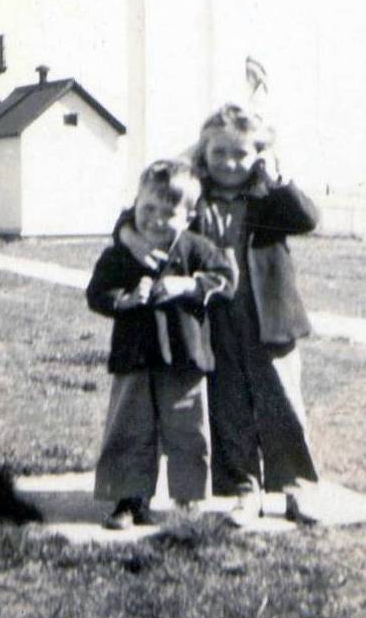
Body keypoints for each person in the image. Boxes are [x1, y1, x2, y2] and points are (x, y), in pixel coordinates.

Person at [117, 104, 319, 523]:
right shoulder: (193, 193)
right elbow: (139, 212)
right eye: (218, 152)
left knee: (281, 403)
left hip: (269, 317)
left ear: (258, 155)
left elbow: (307, 218)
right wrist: (128, 235)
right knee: (229, 409)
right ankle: (245, 489)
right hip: (214, 319)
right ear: (202, 153)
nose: (229, 163)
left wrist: (279, 179)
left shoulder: (268, 195)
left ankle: (297, 489)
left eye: (240, 154)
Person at [87, 159, 236, 530]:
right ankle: (129, 500)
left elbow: (226, 281)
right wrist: (124, 299)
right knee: (130, 429)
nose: (154, 219)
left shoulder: (197, 248)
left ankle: (188, 501)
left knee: (187, 431)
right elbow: (97, 293)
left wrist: (188, 285)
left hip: (186, 359)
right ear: (134, 205)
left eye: (167, 212)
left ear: (187, 217)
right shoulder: (120, 253)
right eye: (147, 208)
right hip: (134, 358)